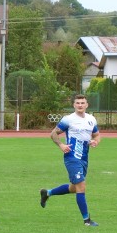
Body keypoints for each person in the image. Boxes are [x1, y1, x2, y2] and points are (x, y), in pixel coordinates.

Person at [40, 94, 101, 226]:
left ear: (87, 105)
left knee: (74, 188)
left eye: (82, 103)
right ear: (74, 105)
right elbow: (53, 133)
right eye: (77, 103)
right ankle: (87, 221)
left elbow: (96, 135)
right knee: (81, 186)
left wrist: (95, 142)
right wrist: (61, 145)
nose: (80, 105)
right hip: (72, 157)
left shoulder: (91, 119)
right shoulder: (68, 119)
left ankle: (47, 193)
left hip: (84, 157)